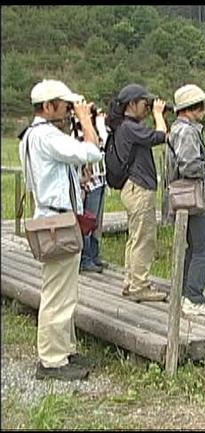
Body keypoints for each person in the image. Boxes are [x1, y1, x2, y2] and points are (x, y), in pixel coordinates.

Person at [18, 79, 103, 381]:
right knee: (57, 293)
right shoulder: (46, 136)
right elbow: (92, 152)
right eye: (65, 106)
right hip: (58, 221)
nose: (69, 111)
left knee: (64, 290)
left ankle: (64, 349)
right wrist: (85, 120)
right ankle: (52, 360)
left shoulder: (31, 136)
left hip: (52, 218)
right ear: (48, 106)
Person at [167, 84, 205, 316]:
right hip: (196, 200)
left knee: (191, 248)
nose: (204, 110)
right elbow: (189, 165)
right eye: (201, 105)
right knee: (202, 249)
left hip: (186, 200)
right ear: (192, 108)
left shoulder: (178, 129)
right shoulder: (187, 131)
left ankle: (185, 294)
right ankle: (194, 298)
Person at [108, 84, 168, 302]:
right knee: (144, 238)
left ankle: (131, 282)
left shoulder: (125, 127)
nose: (147, 108)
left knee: (135, 237)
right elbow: (161, 136)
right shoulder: (129, 127)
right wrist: (159, 114)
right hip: (139, 188)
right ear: (132, 104)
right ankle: (139, 286)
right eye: (145, 104)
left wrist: (154, 113)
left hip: (132, 188)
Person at [71, 107, 109, 273]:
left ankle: (94, 255)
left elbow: (105, 142)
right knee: (88, 219)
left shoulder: (96, 130)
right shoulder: (77, 132)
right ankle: (86, 258)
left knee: (96, 222)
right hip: (89, 181)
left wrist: (99, 121)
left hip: (100, 179)